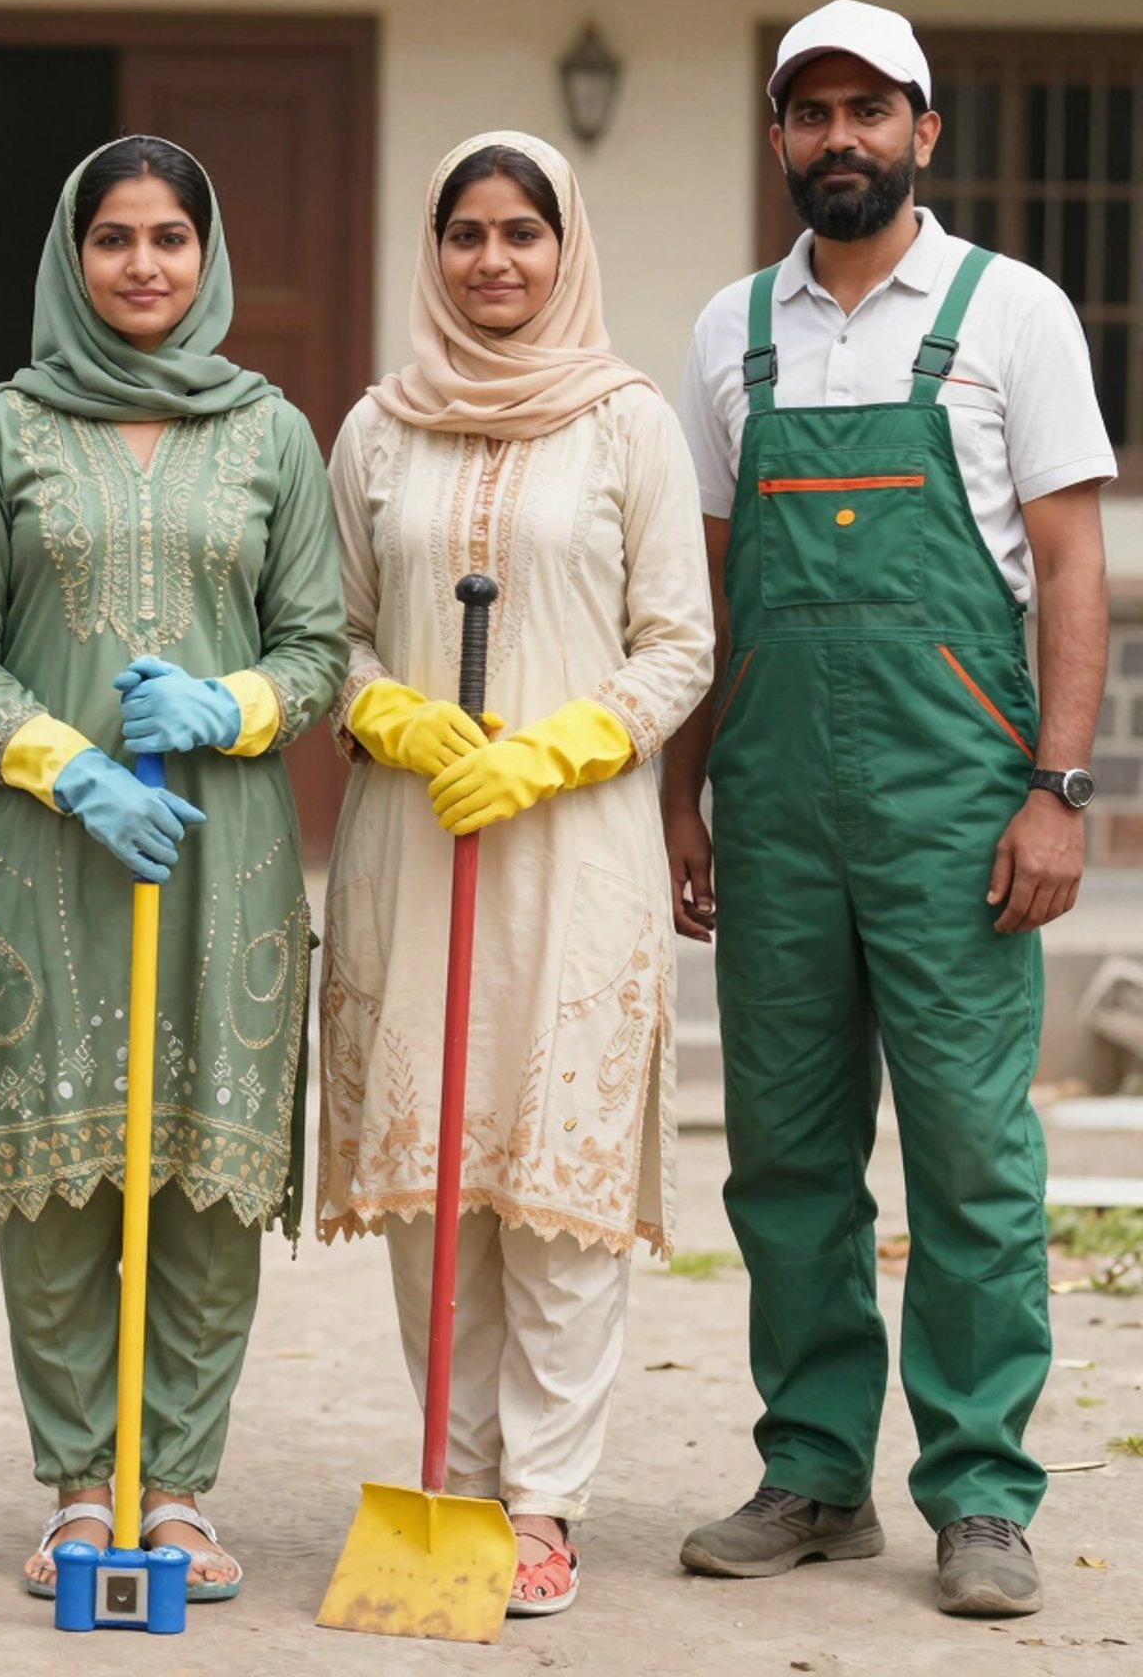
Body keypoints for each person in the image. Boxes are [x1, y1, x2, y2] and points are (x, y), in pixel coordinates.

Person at [667, 0, 1115, 1619]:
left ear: (927, 130)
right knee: (785, 1156)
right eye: (810, 111)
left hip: (957, 802)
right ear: (778, 135)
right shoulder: (731, 330)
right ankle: (810, 1472)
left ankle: (983, 1494)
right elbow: (708, 595)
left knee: (974, 1157)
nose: (839, 138)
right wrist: (683, 798)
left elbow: (1074, 569)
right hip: (773, 798)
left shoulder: (1014, 314)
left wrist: (1061, 794)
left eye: (871, 110)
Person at [0, 134, 347, 1601]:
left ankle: (174, 1490)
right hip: (43, 856)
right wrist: (69, 765)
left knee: (207, 1175)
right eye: (115, 239)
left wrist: (233, 707)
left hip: (225, 859)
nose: (145, 265)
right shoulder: (2, 431)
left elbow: (323, 649)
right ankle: (72, 1492)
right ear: (73, 256)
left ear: (208, 254)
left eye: (171, 237)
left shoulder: (272, 432)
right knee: (59, 1180)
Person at [320, 131, 713, 1615]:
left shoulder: (627, 428)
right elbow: (336, 633)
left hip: (574, 846)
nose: (494, 261)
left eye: (523, 235)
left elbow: (680, 640)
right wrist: (385, 710)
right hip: (413, 845)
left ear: (567, 249)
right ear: (435, 251)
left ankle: (542, 1502)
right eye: (467, 234)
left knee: (555, 1184)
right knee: (433, 1187)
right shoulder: (376, 427)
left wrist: (562, 747)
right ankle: (452, 1483)